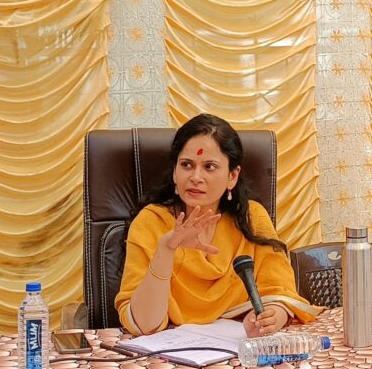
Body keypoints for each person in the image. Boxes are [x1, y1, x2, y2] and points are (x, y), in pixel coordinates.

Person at [115, 114, 321, 336]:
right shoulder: (151, 222)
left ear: (232, 176)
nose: (196, 177)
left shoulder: (251, 217)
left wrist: (272, 316)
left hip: (237, 348)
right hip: (169, 352)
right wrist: (166, 249)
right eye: (186, 165)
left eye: (209, 167)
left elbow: (280, 291)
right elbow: (145, 324)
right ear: (175, 172)